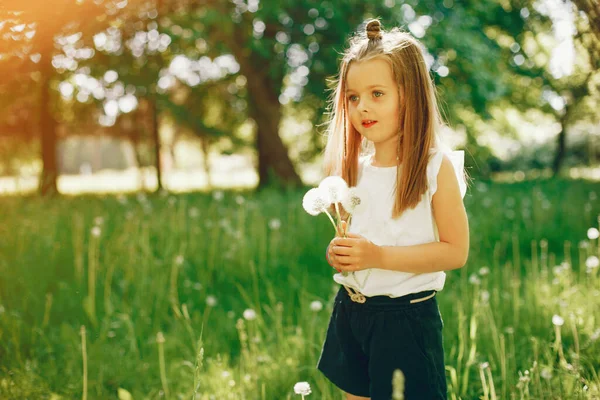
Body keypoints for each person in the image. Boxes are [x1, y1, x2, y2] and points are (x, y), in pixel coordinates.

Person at [316, 18, 470, 400]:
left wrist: (378, 256)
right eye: (353, 97)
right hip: (351, 312)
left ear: (410, 95)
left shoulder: (435, 167)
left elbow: (456, 251)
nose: (362, 106)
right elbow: (358, 241)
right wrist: (341, 253)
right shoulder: (353, 170)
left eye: (377, 94)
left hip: (406, 321)